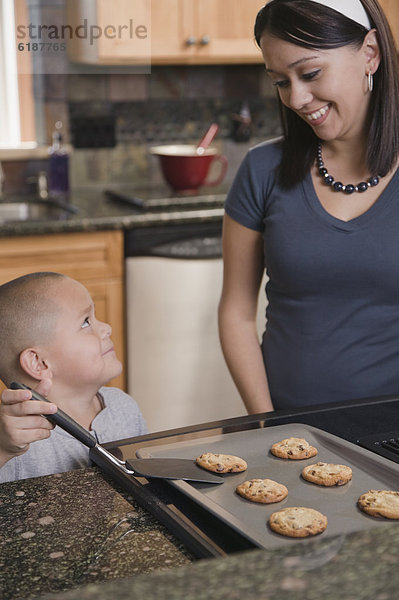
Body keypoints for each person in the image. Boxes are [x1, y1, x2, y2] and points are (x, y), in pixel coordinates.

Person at [218, 0, 399, 413]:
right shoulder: (262, 169)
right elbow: (237, 312)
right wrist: (264, 420)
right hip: (290, 433)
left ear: (370, 53)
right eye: (281, 81)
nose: (297, 98)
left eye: (310, 73)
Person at [0, 272, 147, 482]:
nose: (107, 328)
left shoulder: (124, 407)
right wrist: (2, 450)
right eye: (86, 322)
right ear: (39, 363)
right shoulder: (14, 441)